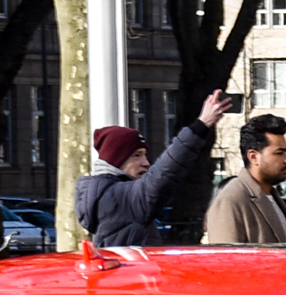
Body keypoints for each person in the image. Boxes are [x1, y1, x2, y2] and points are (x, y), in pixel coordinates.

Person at [75, 91, 227, 245]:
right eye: (137, 155)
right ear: (116, 160)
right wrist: (201, 125)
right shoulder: (119, 197)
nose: (146, 163)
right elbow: (164, 173)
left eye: (145, 155)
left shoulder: (105, 194)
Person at [203, 114, 286, 245]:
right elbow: (226, 260)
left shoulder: (271, 194)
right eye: (279, 153)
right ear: (253, 157)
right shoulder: (231, 200)